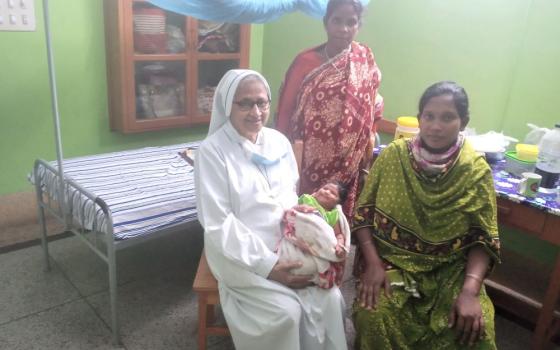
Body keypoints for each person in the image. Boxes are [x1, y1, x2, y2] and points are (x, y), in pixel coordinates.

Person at [194, 69, 348, 350]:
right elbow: (219, 224)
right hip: (238, 251)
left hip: (290, 241)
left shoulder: (278, 141)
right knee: (285, 313)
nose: (256, 112)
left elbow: (290, 192)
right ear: (228, 105)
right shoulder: (212, 152)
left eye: (262, 102)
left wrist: (309, 226)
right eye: (245, 103)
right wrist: (269, 266)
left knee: (332, 299)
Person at [351, 81, 501, 349]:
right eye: (429, 116)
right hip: (395, 264)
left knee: (478, 328)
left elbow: (483, 239)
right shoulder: (393, 157)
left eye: (447, 118)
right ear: (419, 119)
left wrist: (469, 291)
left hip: (451, 272)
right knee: (373, 314)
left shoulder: (475, 171)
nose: (435, 126)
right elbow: (363, 216)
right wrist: (373, 263)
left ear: (463, 122)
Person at [275, 0, 384, 219]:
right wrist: (279, 151)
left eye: (351, 22)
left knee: (338, 216)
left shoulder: (364, 58)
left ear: (358, 25)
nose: (343, 29)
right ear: (326, 23)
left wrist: (367, 142)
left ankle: (337, 250)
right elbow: (285, 111)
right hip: (308, 157)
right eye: (337, 21)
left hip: (348, 158)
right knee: (306, 212)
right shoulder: (305, 61)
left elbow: (373, 105)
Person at [277, 181, 351, 289]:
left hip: (317, 243)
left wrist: (339, 245)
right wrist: (296, 210)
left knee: (313, 264)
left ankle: (312, 272)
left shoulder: (332, 215)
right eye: (325, 188)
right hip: (299, 236)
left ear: (338, 203)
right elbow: (293, 212)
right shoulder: (307, 199)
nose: (326, 192)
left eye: (333, 193)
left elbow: (338, 234)